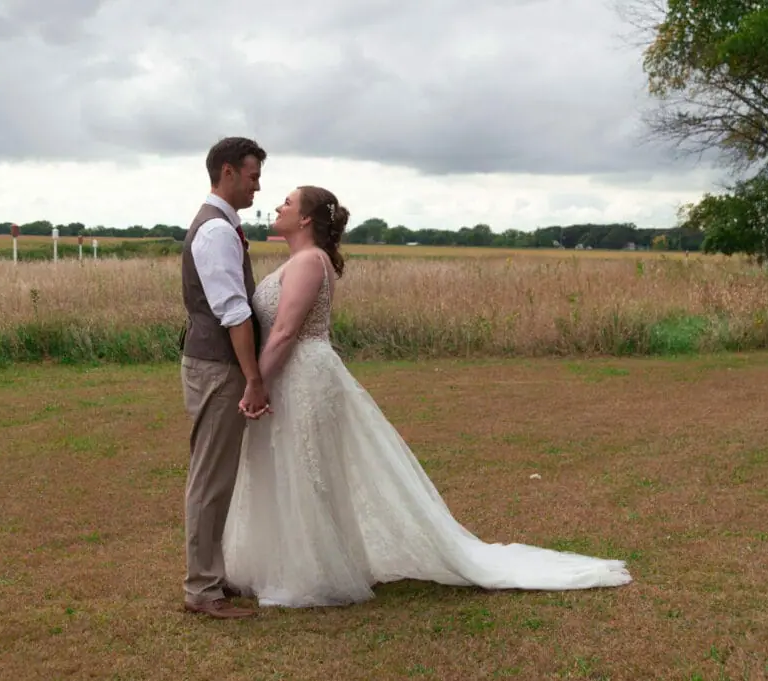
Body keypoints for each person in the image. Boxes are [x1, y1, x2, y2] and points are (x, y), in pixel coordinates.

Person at [221, 185, 633, 608]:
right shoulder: (298, 260)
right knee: (287, 464)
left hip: (303, 374)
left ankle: (315, 572)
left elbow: (287, 330)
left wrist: (257, 384)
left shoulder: (310, 261)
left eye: (288, 202)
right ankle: (286, 561)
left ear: (306, 218)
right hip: (289, 374)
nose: (278, 206)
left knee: (307, 470)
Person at [179, 137, 270, 619]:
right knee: (210, 477)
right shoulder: (215, 232)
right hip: (218, 366)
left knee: (218, 474)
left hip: (214, 363)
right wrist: (252, 378)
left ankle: (210, 576)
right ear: (229, 172)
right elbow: (233, 312)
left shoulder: (222, 227)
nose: (259, 186)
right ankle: (202, 589)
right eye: (254, 176)